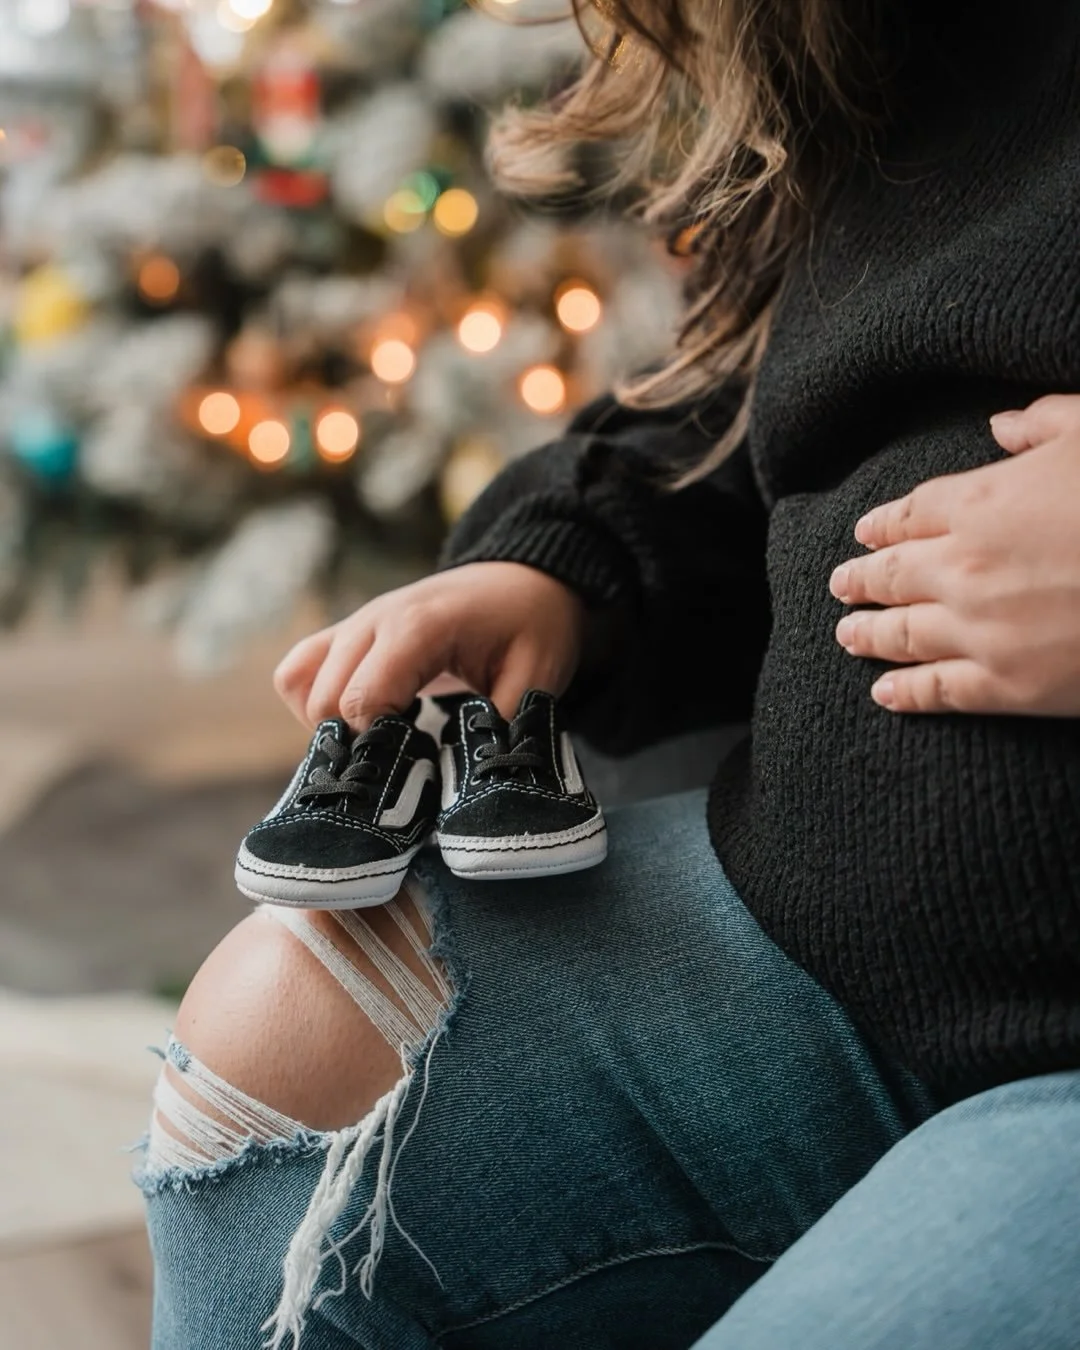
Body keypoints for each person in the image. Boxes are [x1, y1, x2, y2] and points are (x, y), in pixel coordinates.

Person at [137, 1, 1080, 1347]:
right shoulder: (903, 42)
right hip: (837, 951)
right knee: (286, 1019)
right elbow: (781, 385)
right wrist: (568, 563)